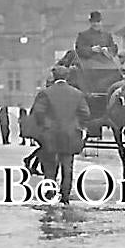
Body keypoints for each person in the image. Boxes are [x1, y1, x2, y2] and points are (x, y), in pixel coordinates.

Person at [29, 67, 90, 204]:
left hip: (50, 135)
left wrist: (45, 126)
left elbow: (38, 113)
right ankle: (65, 196)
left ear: (54, 77)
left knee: (50, 166)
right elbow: (85, 114)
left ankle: (50, 193)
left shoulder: (45, 93)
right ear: (67, 77)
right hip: (70, 135)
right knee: (67, 166)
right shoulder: (77, 94)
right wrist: (77, 125)